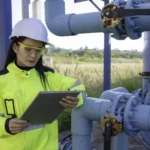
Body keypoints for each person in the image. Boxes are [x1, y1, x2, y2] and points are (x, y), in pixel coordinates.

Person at [0, 18, 86, 150]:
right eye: (28, 49)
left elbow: (78, 86)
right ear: (16, 47)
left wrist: (76, 99)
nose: (33, 55)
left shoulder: (48, 77)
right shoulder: (2, 80)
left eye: (39, 50)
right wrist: (5, 125)